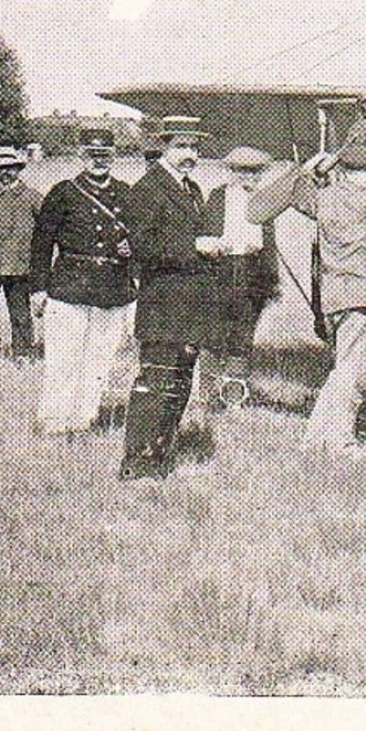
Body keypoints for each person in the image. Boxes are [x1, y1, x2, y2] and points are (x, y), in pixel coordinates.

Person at [250, 135, 366, 449]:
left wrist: (309, 170)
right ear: (349, 173)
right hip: (361, 300)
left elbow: (298, 192)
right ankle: (341, 441)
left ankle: (314, 438)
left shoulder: (325, 199)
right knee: (355, 375)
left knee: (341, 370)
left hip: (333, 300)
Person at [119, 116, 221, 480]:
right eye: (182, 146)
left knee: (179, 384)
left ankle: (161, 459)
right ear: (164, 146)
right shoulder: (147, 188)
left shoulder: (193, 190)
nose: (190, 154)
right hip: (162, 306)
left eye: (194, 147)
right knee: (155, 385)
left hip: (190, 305)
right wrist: (194, 247)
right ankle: (138, 465)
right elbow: (142, 247)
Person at [30, 129, 136, 437]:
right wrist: (38, 288)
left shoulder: (126, 193)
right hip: (69, 289)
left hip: (111, 290)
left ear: (113, 157)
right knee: (63, 360)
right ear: (81, 155)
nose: (99, 160)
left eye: (104, 155)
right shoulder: (63, 192)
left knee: (98, 363)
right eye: (92, 154)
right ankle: (53, 423)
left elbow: (140, 238)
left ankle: (84, 420)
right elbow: (41, 243)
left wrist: (133, 248)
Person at [202, 146, 280, 407]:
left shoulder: (265, 200)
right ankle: (206, 393)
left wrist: (272, 282)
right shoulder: (217, 197)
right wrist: (215, 246)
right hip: (220, 269)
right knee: (214, 332)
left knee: (244, 334)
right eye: (244, 172)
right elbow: (205, 234)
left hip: (252, 271)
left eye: (256, 173)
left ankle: (234, 395)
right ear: (232, 171)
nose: (250, 178)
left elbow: (270, 244)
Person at [0, 146, 42, 357]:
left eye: (9, 168)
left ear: (18, 169)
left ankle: (22, 355)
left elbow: (45, 232)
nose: (5, 173)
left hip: (20, 267)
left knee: (20, 314)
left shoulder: (32, 197)